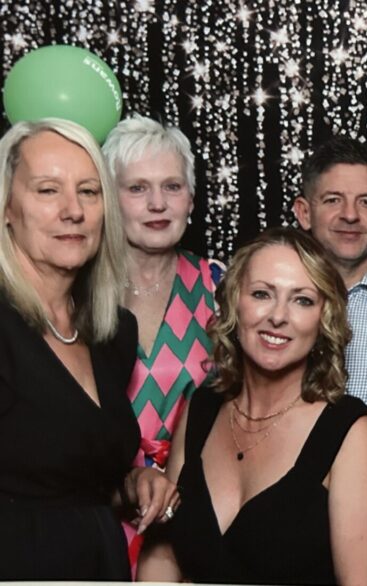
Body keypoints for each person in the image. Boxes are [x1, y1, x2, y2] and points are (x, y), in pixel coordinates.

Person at [136, 227, 367, 583]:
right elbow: (164, 550)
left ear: (324, 319)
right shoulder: (203, 409)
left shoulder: (351, 433)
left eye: (302, 299)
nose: (278, 316)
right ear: (233, 304)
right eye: (261, 294)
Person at [0, 118, 177, 579]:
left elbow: (78, 475)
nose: (73, 211)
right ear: (6, 208)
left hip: (100, 562)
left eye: (89, 191)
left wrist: (133, 483)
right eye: (47, 190)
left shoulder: (112, 332)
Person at [102, 115, 222, 565]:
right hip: (95, 516)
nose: (157, 203)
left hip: (190, 522)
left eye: (172, 187)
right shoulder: (75, 295)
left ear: (191, 199)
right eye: (137, 188)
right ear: (109, 199)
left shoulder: (222, 287)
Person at [294, 134, 367, 407]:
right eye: (333, 200)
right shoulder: (276, 305)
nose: (350, 215)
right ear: (304, 212)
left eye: (366, 202)